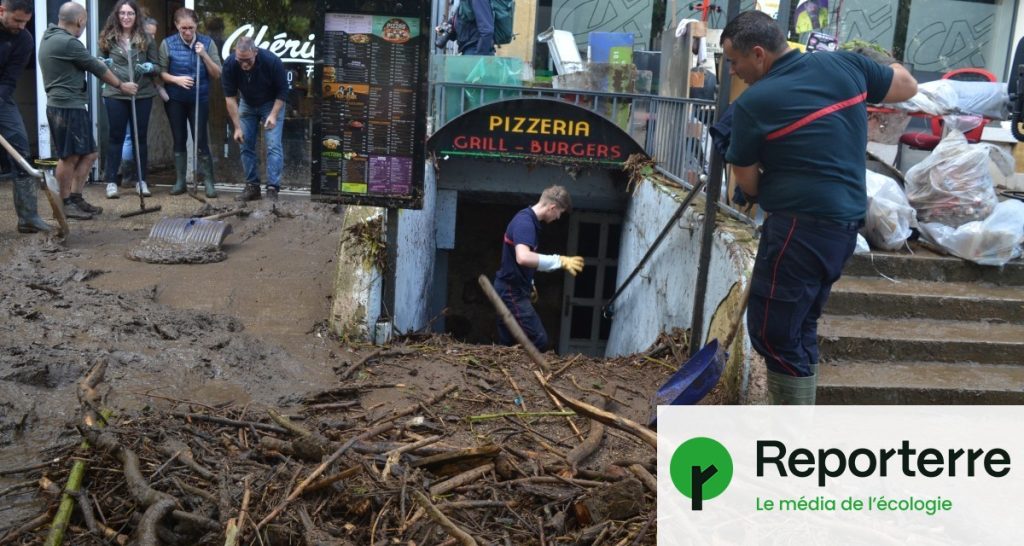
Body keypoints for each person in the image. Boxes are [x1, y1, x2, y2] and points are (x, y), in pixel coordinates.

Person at [720, 11, 917, 404]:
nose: (734, 71)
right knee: (799, 328)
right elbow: (906, 85)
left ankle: (789, 438)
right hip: (843, 229)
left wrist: (762, 186)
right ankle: (798, 432)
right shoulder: (847, 64)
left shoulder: (753, 103)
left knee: (773, 334)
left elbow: (746, 180)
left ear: (758, 54)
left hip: (797, 228)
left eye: (733, 61)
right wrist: (882, 59)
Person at [39, 2, 138, 220]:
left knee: (89, 154)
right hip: (65, 107)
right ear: (80, 21)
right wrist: (122, 85)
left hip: (69, 105)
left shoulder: (49, 36)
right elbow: (97, 67)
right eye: (85, 22)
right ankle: (65, 203)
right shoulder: (68, 43)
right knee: (69, 156)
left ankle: (76, 198)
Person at [493, 186, 585, 350]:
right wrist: (560, 261)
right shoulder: (525, 223)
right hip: (511, 290)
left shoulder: (529, 222)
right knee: (539, 340)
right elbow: (523, 257)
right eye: (559, 213)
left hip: (512, 287)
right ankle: (523, 372)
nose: (558, 218)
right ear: (552, 207)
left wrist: (530, 282)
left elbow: (524, 260)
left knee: (507, 343)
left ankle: (513, 374)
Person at [98, 0, 159, 200]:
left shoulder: (147, 38)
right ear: (117, 15)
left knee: (139, 137)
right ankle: (111, 182)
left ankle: (141, 181)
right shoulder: (108, 38)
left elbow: (157, 66)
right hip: (116, 94)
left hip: (141, 93)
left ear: (136, 16)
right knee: (116, 137)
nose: (126, 17)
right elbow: (98, 64)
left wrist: (150, 68)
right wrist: (103, 64)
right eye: (122, 13)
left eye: (130, 13)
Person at [0, 0, 52, 233]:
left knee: (20, 145)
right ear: (2, 11)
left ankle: (28, 217)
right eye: (17, 20)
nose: (22, 26)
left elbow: (10, 79)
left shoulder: (24, 39)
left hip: (1, 97)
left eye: (26, 22)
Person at [159, 7, 221, 198]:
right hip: (175, 99)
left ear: (196, 26)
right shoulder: (167, 44)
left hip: (198, 99)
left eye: (191, 28)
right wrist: (176, 80)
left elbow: (217, 73)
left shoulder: (207, 43)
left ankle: (209, 182)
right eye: (183, 28)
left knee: (200, 139)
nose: (187, 32)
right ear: (177, 25)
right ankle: (180, 181)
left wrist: (204, 55)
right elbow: (160, 73)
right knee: (179, 139)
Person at [222, 36, 289, 202]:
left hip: (272, 103)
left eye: (248, 60)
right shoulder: (230, 64)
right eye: (240, 60)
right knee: (245, 143)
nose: (244, 64)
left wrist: (273, 115)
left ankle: (272, 188)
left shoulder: (271, 61)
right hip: (247, 103)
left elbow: (283, 92)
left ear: (255, 52)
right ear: (235, 54)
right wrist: (237, 127)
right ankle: (252, 187)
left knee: (273, 145)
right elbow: (230, 99)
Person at [120, 16, 168, 189]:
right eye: (149, 34)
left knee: (133, 136)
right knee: (129, 137)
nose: (152, 39)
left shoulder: (147, 47)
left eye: (154, 35)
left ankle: (134, 177)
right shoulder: (134, 48)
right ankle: (128, 176)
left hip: (142, 93)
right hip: (127, 94)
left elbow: (154, 71)